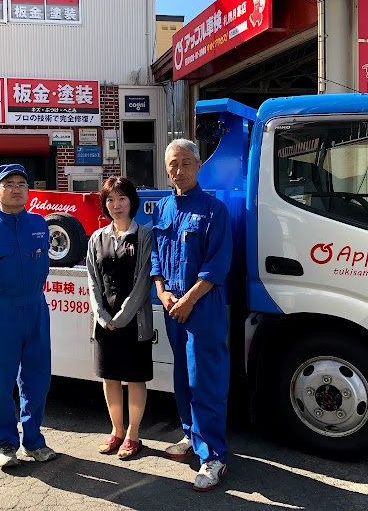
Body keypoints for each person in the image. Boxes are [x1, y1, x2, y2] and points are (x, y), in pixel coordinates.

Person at [151, 139, 233, 492]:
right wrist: (163, 292)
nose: (179, 170)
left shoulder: (214, 210)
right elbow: (155, 257)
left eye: (186, 162)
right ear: (166, 170)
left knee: (206, 381)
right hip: (173, 308)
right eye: (173, 164)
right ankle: (189, 434)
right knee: (182, 377)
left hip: (203, 308)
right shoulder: (163, 209)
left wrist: (188, 299)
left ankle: (214, 456)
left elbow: (218, 264)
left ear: (198, 166)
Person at [0, 164, 56, 468]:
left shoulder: (39, 224)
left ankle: (34, 442)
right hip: (1, 311)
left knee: (37, 379)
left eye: (21, 183)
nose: (16, 189)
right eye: (8, 184)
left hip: (35, 308)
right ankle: (4, 444)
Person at [86, 177, 154, 460]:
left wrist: (122, 317)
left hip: (134, 322)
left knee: (135, 379)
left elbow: (143, 281)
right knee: (110, 378)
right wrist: (102, 316)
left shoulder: (144, 236)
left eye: (122, 199)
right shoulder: (97, 238)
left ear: (132, 201)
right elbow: (91, 280)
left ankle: (133, 435)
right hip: (105, 323)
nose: (116, 205)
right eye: (110, 200)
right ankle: (116, 430)